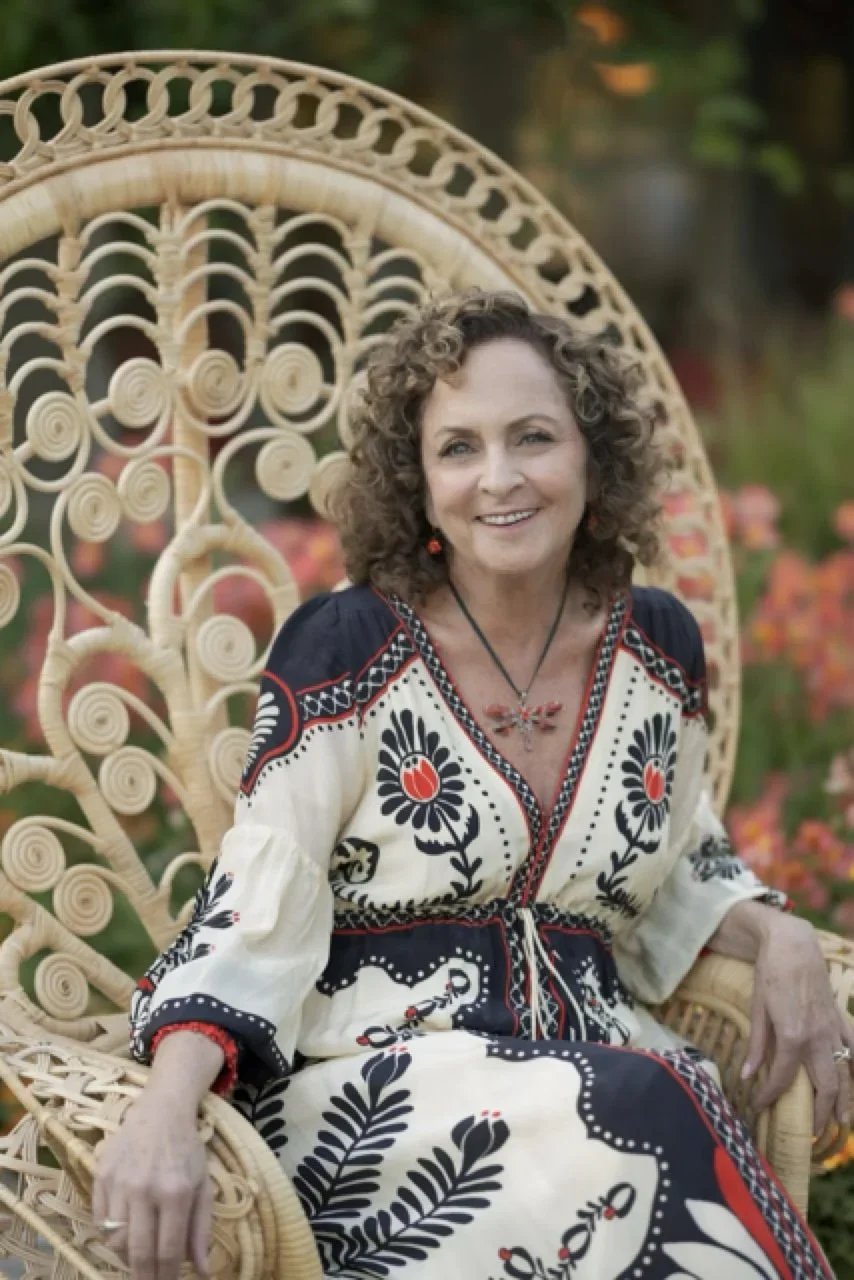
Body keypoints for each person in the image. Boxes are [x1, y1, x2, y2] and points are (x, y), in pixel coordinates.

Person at [93, 290, 851, 1280]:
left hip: (602, 1078)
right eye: (457, 447)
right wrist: (165, 1105)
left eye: (531, 437)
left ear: (592, 455)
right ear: (417, 478)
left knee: (649, 1096)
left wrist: (780, 932)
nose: (497, 478)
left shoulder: (653, 648)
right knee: (648, 1108)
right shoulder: (348, 649)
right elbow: (255, 909)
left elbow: (678, 868)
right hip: (374, 1104)